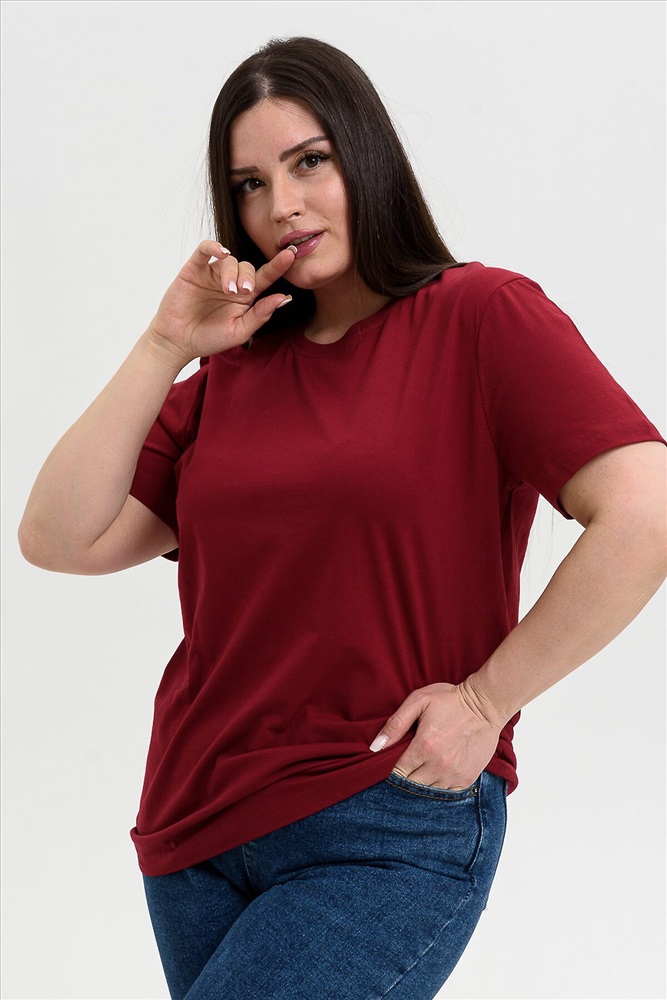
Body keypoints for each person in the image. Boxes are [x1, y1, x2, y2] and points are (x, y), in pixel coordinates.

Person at [18, 35, 666, 1000]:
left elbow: (644, 511)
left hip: (383, 814)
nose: (280, 204)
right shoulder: (229, 376)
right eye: (249, 184)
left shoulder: (479, 316)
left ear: (367, 155)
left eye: (309, 161)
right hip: (196, 831)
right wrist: (164, 344)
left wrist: (484, 704)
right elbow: (58, 538)